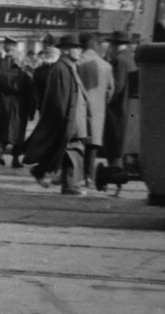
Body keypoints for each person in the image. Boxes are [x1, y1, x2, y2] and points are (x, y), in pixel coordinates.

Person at [23, 33, 90, 196]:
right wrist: (65, 124)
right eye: (76, 48)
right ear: (66, 50)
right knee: (73, 151)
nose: (80, 51)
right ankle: (71, 187)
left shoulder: (68, 67)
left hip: (73, 119)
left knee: (67, 152)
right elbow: (61, 99)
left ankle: (46, 174)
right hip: (70, 120)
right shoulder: (61, 68)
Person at [75, 32, 115, 188]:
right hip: (98, 110)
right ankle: (89, 177)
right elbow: (111, 90)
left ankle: (75, 176)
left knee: (77, 142)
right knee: (92, 144)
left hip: (78, 109)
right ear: (95, 45)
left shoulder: (76, 63)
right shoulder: (106, 65)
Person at [0, 37, 34, 168]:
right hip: (20, 105)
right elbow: (31, 94)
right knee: (19, 131)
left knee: (4, 129)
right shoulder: (25, 76)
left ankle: (0, 148)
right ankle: (15, 159)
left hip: (4, 103)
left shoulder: (3, 74)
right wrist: (31, 111)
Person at [102, 31, 136, 174]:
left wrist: (106, 100)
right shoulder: (131, 58)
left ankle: (115, 168)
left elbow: (117, 86)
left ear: (114, 45)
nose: (109, 47)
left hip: (116, 108)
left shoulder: (119, 60)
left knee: (114, 137)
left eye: (110, 44)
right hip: (128, 106)